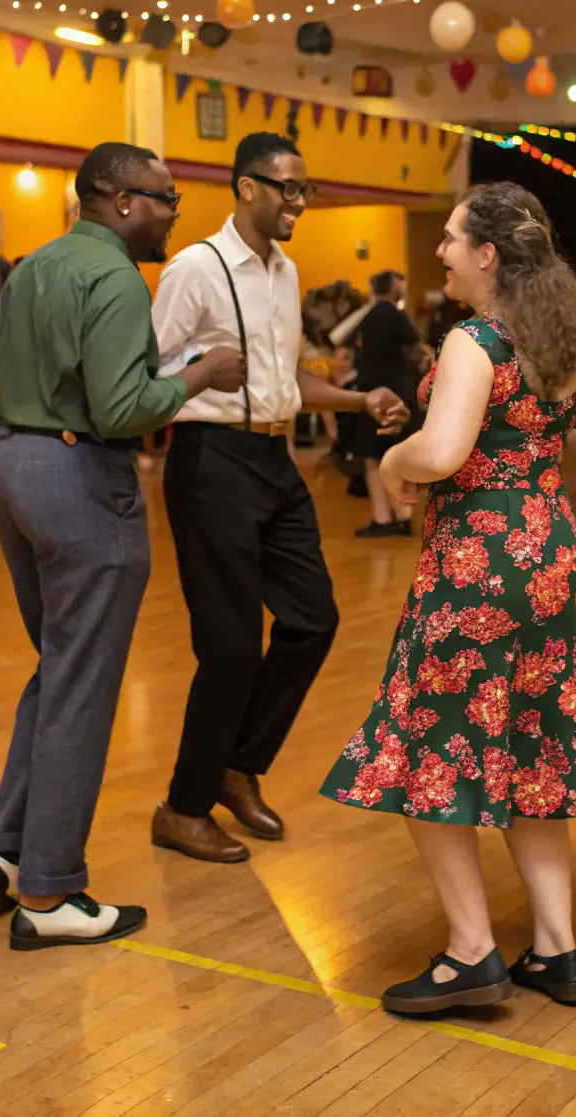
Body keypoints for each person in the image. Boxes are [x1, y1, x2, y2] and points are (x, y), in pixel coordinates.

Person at [321, 182, 576, 1017]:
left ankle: (470, 954)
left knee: (431, 752)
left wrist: (391, 466)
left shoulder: (474, 340)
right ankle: (558, 950)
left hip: (479, 567)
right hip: (557, 562)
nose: (442, 252)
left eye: (453, 239)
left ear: (489, 255)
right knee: (533, 752)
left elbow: (443, 449)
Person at [0, 142, 244, 950]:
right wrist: (201, 374)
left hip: (12, 463)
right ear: (120, 201)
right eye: (164, 199)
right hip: (79, 476)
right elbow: (123, 410)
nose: (171, 216)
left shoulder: (31, 267)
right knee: (83, 682)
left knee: (56, 665)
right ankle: (51, 892)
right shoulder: (117, 275)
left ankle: (9, 852)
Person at [151, 131, 409, 865]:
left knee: (313, 619)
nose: (298, 201)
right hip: (210, 461)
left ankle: (237, 766)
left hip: (274, 455)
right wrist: (201, 372)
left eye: (305, 188)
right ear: (246, 187)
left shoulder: (286, 272)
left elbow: (288, 382)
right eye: (286, 187)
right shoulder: (193, 269)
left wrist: (361, 399)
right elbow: (149, 374)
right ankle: (182, 806)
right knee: (230, 645)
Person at [352, 269, 423, 538]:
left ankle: (383, 519)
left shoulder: (368, 316)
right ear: (393, 286)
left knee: (374, 459)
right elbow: (413, 347)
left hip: (373, 392)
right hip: (398, 392)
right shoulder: (395, 315)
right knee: (399, 455)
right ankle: (403, 517)